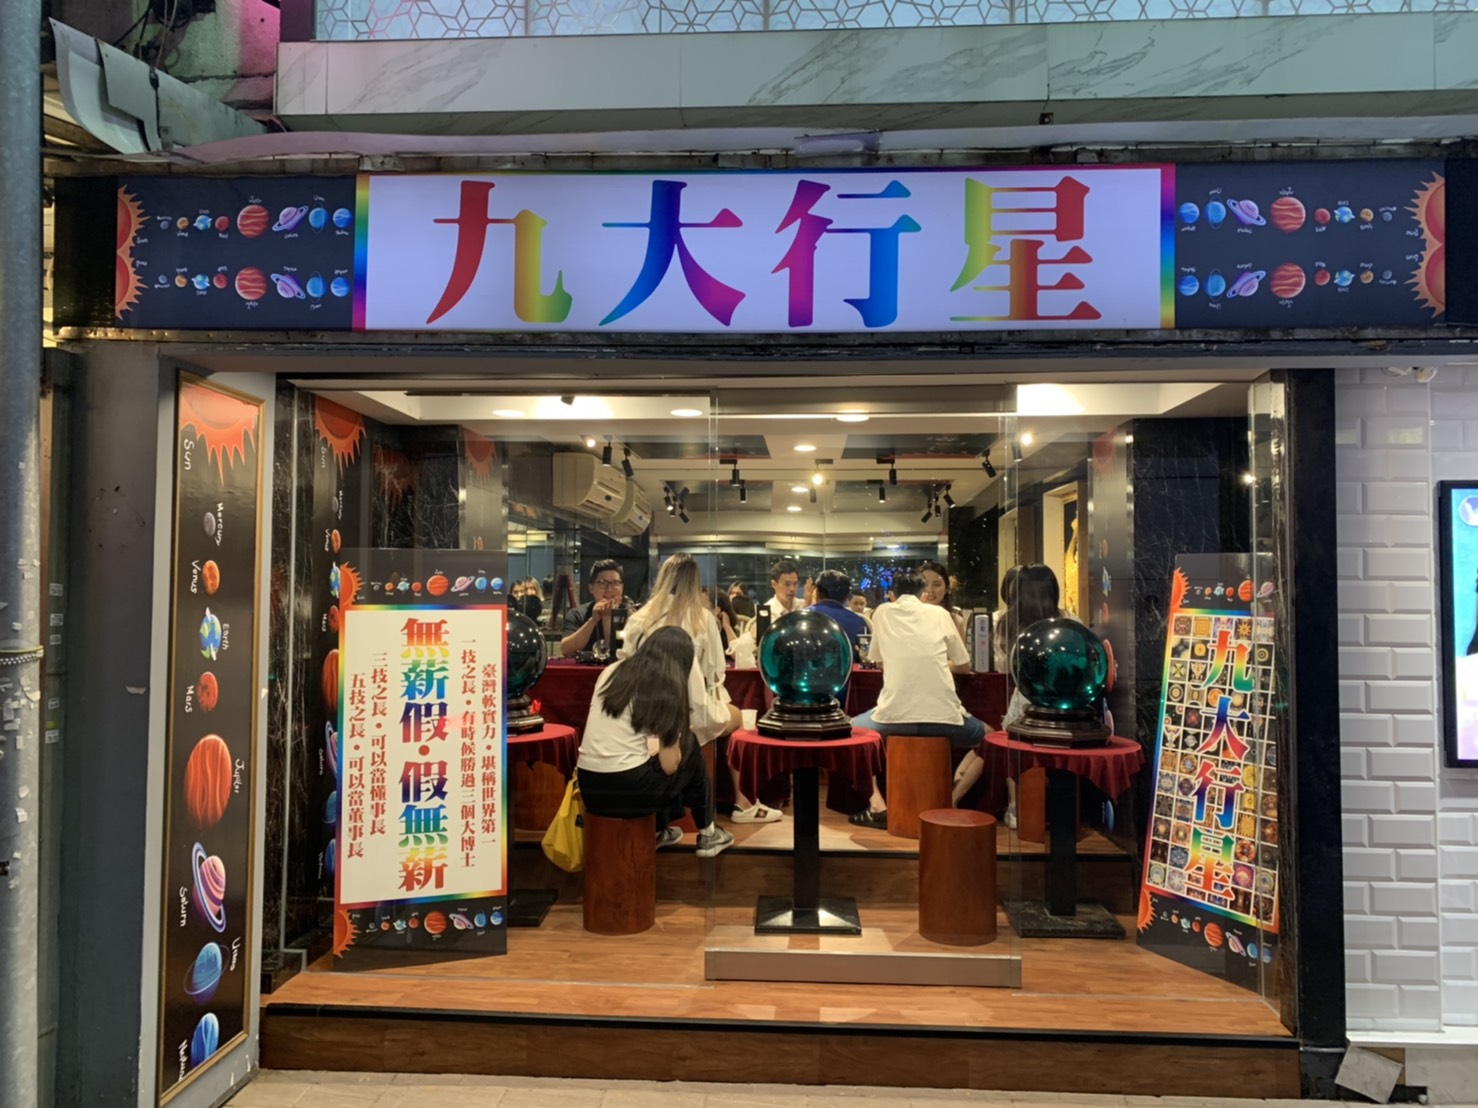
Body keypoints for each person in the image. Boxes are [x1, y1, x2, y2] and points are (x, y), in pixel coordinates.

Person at [621, 553, 781, 824]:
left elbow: (627, 663)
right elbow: (716, 672)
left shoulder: (638, 619)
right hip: (687, 713)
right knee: (740, 718)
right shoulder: (702, 619)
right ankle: (743, 802)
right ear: (694, 583)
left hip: (645, 713)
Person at [576, 626, 734, 857]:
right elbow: (670, 766)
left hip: (589, 786)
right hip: (630, 792)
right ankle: (708, 832)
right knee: (690, 744)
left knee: (653, 765)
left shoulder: (611, 671)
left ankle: (660, 830)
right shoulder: (666, 684)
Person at [848, 572, 985, 828]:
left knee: (848, 734)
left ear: (891, 594)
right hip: (946, 720)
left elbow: (878, 661)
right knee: (990, 738)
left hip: (891, 719)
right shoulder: (940, 614)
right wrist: (941, 663)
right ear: (923, 594)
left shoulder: (882, 613)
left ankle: (877, 806)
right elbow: (964, 666)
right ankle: (952, 799)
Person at [954, 563, 1070, 827]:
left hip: (1025, 698)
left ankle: (1014, 806)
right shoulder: (1068, 621)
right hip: (1064, 705)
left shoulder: (1003, 622)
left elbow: (1002, 666)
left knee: (1007, 746)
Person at [560, 559, 633, 658]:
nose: (609, 589)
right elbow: (567, 651)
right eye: (603, 583)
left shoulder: (631, 615)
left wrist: (608, 617)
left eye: (615, 583)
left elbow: (628, 652)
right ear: (591, 588)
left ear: (622, 588)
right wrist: (593, 620)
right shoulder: (577, 614)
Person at [809, 570, 869, 657]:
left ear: (817, 592)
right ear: (846, 597)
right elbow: (866, 654)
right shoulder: (858, 622)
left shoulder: (800, 618)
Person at [919, 559, 967, 640]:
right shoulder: (907, 619)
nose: (930, 590)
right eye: (925, 584)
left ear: (946, 589)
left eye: (936, 584)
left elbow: (959, 648)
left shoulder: (956, 622)